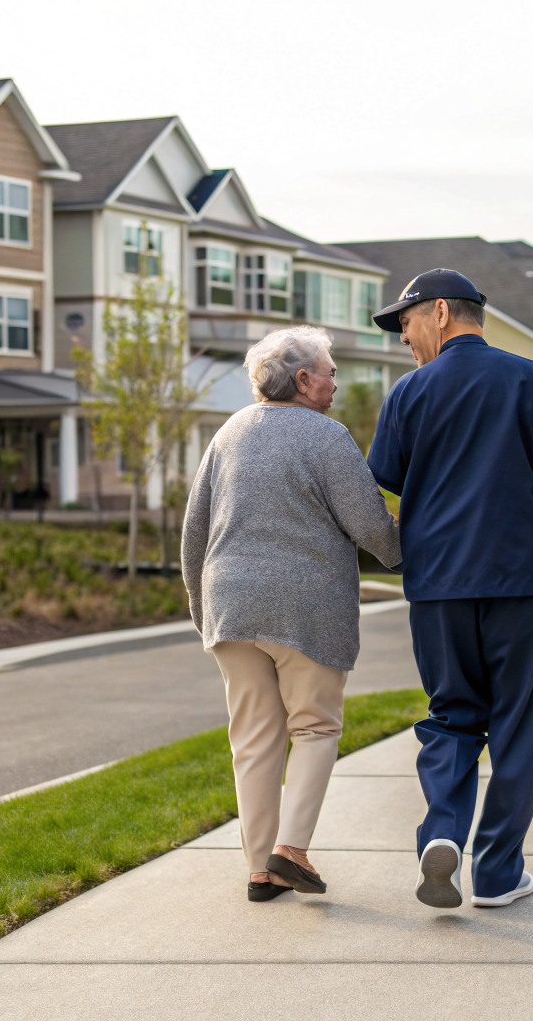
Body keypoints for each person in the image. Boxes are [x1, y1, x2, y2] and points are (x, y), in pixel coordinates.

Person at [368, 269, 533, 910]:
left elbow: (379, 497)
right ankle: (497, 874)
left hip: (438, 589)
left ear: (441, 312)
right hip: (518, 586)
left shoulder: (408, 394)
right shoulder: (532, 379)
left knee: (451, 716)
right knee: (518, 726)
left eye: (407, 323)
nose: (403, 339)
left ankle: (442, 832)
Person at [181, 325, 401, 903]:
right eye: (329, 370)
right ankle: (292, 849)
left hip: (230, 605)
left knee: (253, 739)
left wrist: (202, 609)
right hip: (307, 608)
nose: (335, 380)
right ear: (303, 381)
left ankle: (261, 870)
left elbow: (193, 531)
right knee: (315, 725)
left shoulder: (227, 433)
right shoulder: (327, 437)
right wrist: (404, 551)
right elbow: (373, 528)